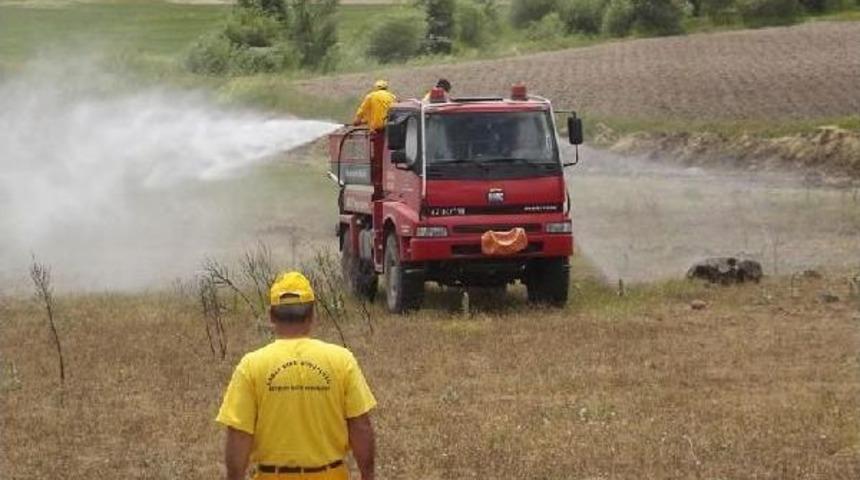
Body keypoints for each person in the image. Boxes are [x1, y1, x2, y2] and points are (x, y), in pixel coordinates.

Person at [216, 271, 377, 480]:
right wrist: (368, 475)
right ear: (312, 314)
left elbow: (239, 435)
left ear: (271, 316)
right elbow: (361, 426)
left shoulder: (251, 366)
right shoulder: (342, 361)